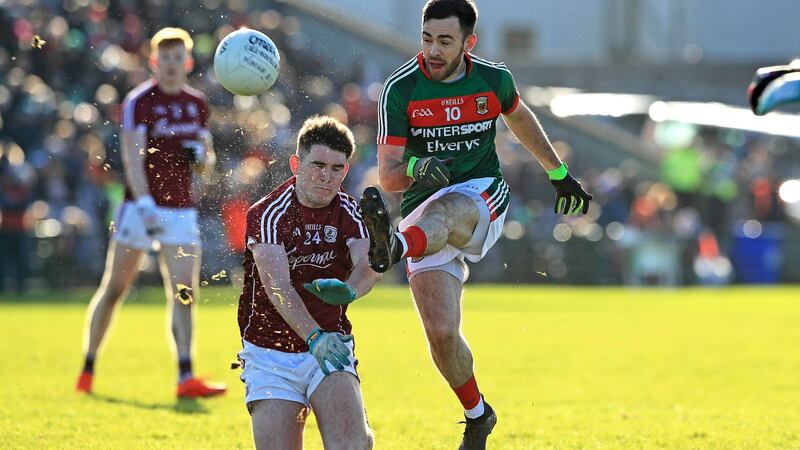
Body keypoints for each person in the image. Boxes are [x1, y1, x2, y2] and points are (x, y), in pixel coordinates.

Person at [360, 1, 593, 448]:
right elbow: (388, 173)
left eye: (445, 40)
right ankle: (478, 413)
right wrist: (418, 165)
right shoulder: (400, 88)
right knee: (443, 335)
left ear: (469, 42)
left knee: (447, 212)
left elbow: (519, 117)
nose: (432, 49)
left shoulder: (494, 79)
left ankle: (391, 247)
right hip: (420, 210)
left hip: (481, 196)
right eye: (426, 38)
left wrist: (558, 172)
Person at [75, 27, 226, 398]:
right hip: (140, 207)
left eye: (178, 58)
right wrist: (144, 204)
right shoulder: (140, 101)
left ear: (187, 62)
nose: (172, 65)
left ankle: (185, 374)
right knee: (115, 288)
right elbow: (133, 155)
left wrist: (203, 157)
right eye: (165, 58)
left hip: (180, 211)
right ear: (154, 62)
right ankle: (88, 367)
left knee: (184, 292)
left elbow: (206, 164)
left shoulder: (198, 104)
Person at [237, 115, 380, 450]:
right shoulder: (267, 213)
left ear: (346, 170)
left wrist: (350, 290)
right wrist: (312, 336)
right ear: (295, 163)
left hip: (331, 345)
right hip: (270, 355)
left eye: (336, 168)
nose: (326, 176)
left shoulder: (351, 211)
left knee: (350, 447)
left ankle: (357, 435)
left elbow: (367, 265)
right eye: (317, 165)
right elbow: (278, 288)